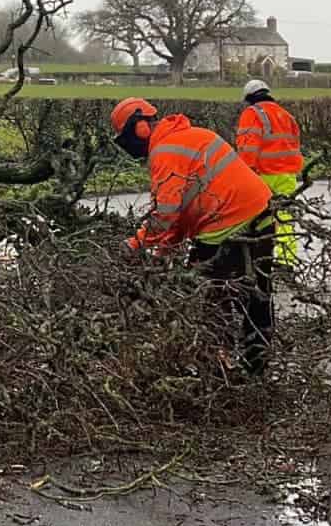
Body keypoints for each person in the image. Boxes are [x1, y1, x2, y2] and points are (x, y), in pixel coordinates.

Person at [113, 97, 277, 376]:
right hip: (261, 213)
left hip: (226, 224)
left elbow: (165, 213)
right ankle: (256, 364)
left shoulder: (164, 151)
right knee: (258, 294)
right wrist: (162, 250)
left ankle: (218, 367)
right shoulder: (189, 136)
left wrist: (136, 243)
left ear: (140, 128)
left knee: (207, 297)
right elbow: (181, 213)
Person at [236, 79, 302, 266]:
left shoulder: (252, 114)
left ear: (249, 98)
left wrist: (245, 174)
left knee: (256, 217)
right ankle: (286, 260)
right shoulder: (286, 115)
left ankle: (256, 258)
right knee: (284, 217)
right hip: (287, 174)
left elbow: (248, 148)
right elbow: (295, 143)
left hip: (261, 175)